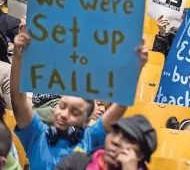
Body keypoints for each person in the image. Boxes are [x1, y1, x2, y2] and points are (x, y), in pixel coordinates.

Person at [10, 32, 148, 170]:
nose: (64, 114)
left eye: (75, 112)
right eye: (62, 106)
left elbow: (120, 105)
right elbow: (18, 101)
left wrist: (137, 67)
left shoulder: (91, 138)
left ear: (86, 121)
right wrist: (18, 56)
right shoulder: (37, 134)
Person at [55, 115, 157, 170]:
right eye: (114, 132)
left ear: (140, 155)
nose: (115, 141)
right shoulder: (76, 162)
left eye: (128, 139)